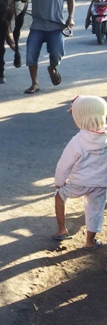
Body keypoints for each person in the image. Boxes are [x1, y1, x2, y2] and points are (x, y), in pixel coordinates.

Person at [52, 96, 107, 250]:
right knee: (95, 211)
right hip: (101, 184)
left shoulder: (77, 141)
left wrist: (59, 182)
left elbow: (64, 164)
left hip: (79, 183)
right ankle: (90, 242)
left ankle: (62, 231)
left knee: (59, 195)